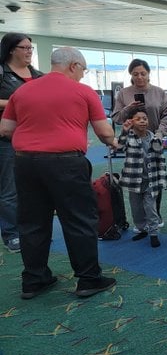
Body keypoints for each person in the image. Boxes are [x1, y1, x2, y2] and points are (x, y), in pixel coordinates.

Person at [0, 47, 117, 299]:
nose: (83, 76)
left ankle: (34, 280)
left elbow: (6, 129)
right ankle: (88, 279)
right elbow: (105, 133)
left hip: (25, 163)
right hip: (66, 164)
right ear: (73, 65)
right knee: (79, 220)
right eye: (83, 70)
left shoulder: (22, 91)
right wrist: (115, 142)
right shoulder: (83, 91)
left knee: (32, 222)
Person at [112, 58, 167, 224]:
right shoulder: (124, 93)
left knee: (155, 179)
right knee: (136, 178)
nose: (139, 77)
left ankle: (155, 215)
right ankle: (140, 220)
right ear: (131, 75)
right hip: (133, 143)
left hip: (154, 141)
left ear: (148, 74)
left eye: (143, 73)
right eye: (135, 74)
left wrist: (159, 135)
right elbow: (116, 118)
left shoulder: (160, 92)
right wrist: (128, 108)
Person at [0, 33, 43, 254]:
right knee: (9, 189)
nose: (29, 51)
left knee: (33, 187)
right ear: (10, 50)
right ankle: (11, 234)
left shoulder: (37, 75)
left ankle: (32, 230)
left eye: (30, 48)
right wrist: (15, 102)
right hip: (7, 139)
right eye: (24, 47)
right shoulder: (2, 74)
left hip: (35, 138)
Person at [117, 106, 167, 248]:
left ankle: (153, 233)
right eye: (138, 119)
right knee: (136, 208)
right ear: (131, 122)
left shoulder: (153, 138)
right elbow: (119, 147)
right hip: (134, 181)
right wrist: (124, 131)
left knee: (150, 207)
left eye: (144, 119)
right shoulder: (129, 137)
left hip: (151, 180)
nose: (142, 121)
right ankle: (142, 228)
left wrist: (162, 178)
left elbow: (160, 158)